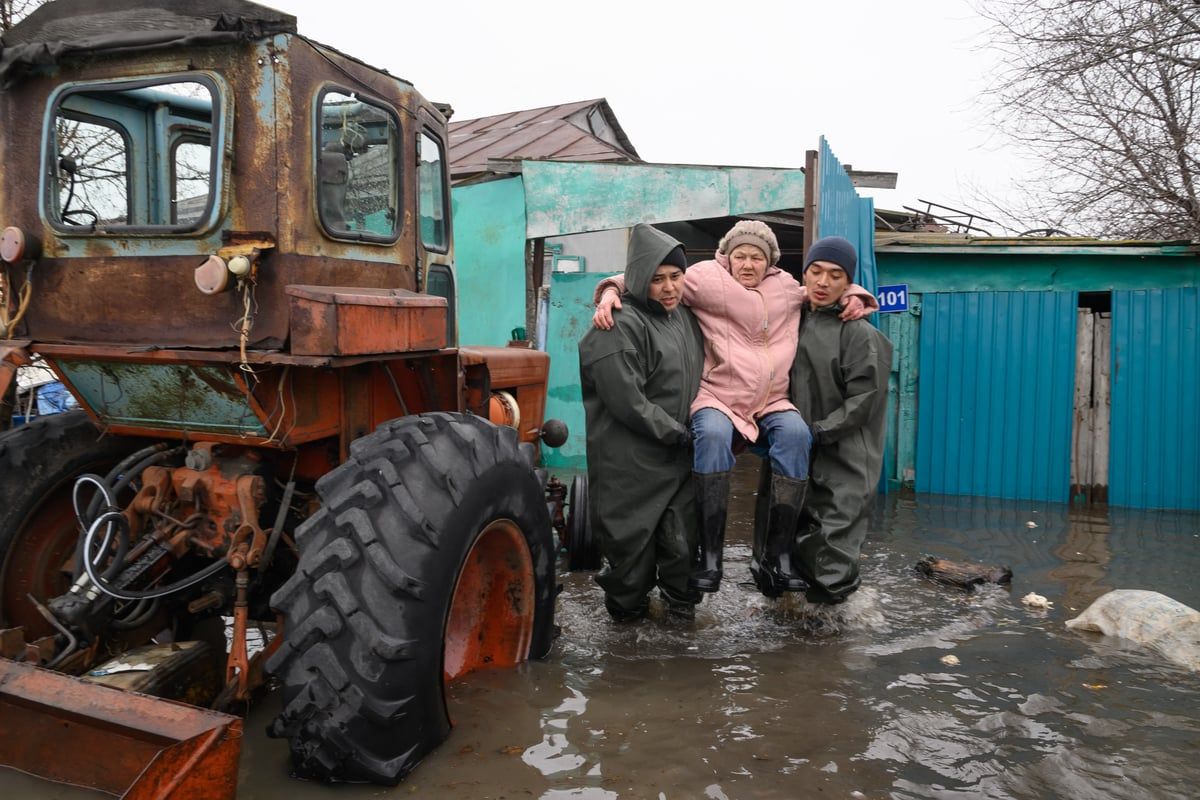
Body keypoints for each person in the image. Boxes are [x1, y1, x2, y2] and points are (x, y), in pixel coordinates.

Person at [593, 221, 877, 598]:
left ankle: (778, 556)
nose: (748, 264)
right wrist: (611, 291)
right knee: (709, 435)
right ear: (726, 257)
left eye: (757, 257)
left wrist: (855, 296)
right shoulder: (704, 279)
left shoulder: (787, 288)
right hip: (718, 396)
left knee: (797, 435)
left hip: (771, 399)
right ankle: (710, 557)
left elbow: (825, 289)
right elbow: (650, 273)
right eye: (740, 255)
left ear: (771, 262)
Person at [578, 224, 704, 622]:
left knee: (683, 556)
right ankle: (625, 660)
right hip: (629, 469)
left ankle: (681, 649)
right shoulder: (615, 326)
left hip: (678, 463)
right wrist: (680, 433)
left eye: (675, 277)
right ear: (638, 280)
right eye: (656, 279)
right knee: (630, 569)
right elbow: (628, 403)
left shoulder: (684, 318)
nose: (669, 288)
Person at [784, 235, 892, 604]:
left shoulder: (861, 333)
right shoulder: (790, 319)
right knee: (786, 541)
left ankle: (833, 641)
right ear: (804, 274)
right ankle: (797, 635)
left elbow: (865, 399)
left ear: (849, 283)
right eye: (815, 271)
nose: (823, 282)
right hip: (798, 450)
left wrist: (816, 432)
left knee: (833, 544)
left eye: (835, 275)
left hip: (846, 456)